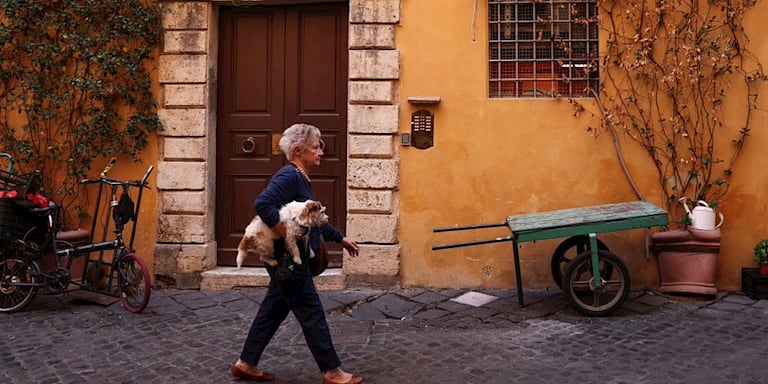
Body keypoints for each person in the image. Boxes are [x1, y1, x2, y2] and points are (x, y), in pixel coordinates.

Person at [231, 123, 364, 384]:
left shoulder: (299, 177)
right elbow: (262, 203)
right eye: (315, 147)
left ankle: (245, 363)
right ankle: (332, 372)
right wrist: (281, 230)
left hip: (287, 261)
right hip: (289, 260)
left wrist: (340, 238)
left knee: (274, 309)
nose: (321, 152)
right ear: (297, 150)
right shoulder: (289, 176)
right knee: (311, 311)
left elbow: (311, 218)